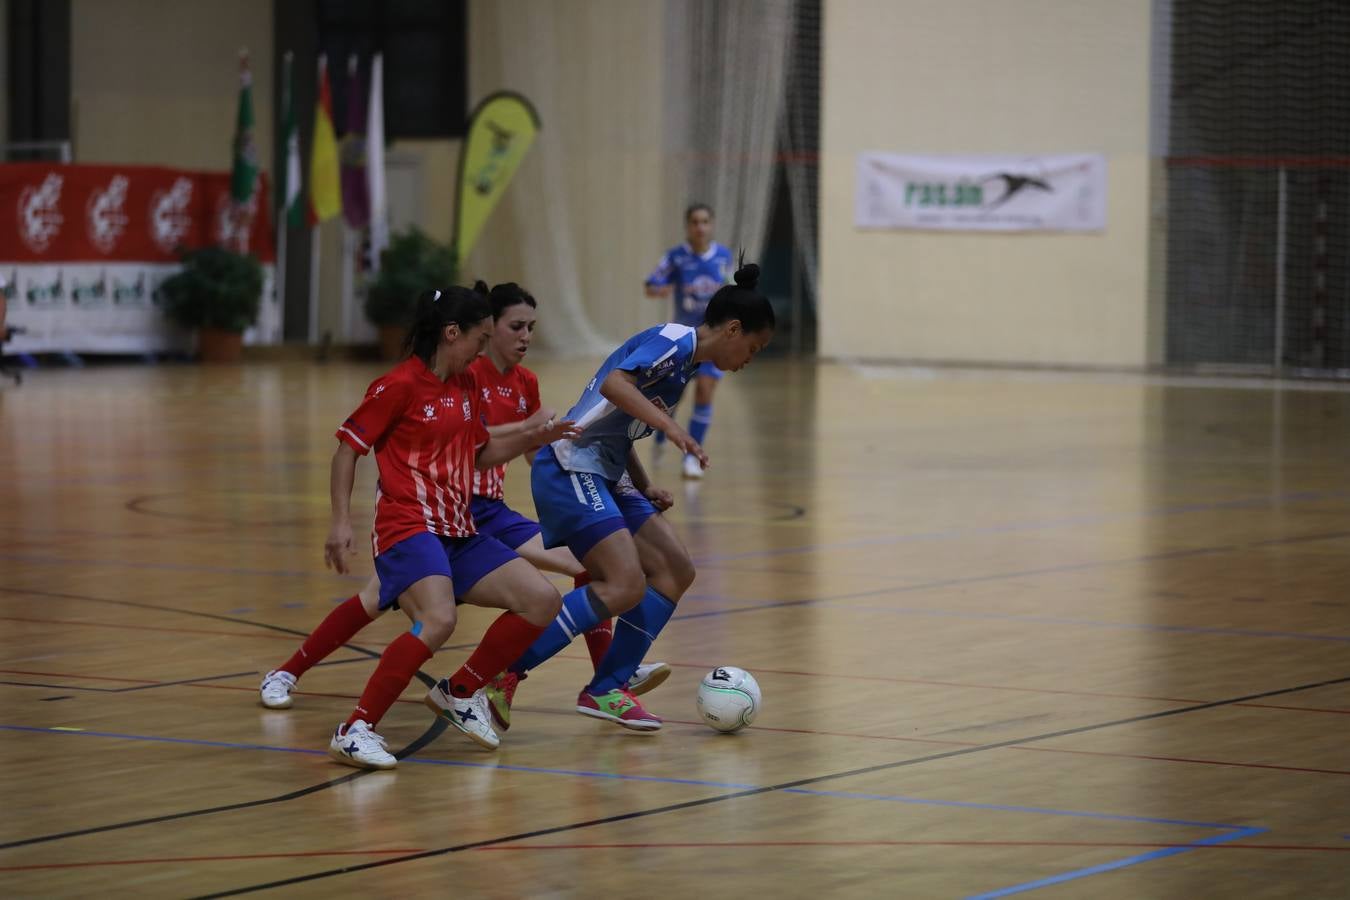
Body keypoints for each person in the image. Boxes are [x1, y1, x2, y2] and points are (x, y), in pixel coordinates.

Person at [259, 284, 670, 729]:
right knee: (381, 600)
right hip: (422, 515)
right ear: (470, 332)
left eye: (531, 328)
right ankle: (294, 676)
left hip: (480, 514)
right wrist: (339, 521)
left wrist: (550, 442)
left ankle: (601, 678)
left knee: (583, 571)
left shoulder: (508, 381)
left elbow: (493, 450)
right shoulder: (418, 382)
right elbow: (356, 449)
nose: (524, 337)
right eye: (514, 327)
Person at [489, 264, 775, 731]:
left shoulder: (686, 365)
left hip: (607, 471)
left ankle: (606, 687)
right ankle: (497, 675)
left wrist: (644, 486)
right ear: (733, 329)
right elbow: (613, 386)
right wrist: (671, 427)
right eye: (753, 348)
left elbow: (620, 425)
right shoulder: (674, 340)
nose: (750, 359)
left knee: (675, 570)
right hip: (570, 464)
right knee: (623, 583)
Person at [319, 284, 579, 770]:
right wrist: (340, 522)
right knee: (439, 619)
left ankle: (459, 691)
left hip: (458, 528)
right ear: (451, 332)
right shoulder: (396, 385)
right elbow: (346, 450)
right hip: (407, 525)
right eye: (480, 339)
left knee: (541, 600)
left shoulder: (465, 385)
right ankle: (355, 728)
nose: (483, 350)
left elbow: (480, 453)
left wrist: (537, 434)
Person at [644, 203, 734, 479]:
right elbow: (650, 285)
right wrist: (661, 288)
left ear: (712, 225)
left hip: (715, 340)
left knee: (705, 392)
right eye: (695, 222)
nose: (700, 227)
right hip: (684, 340)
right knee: (673, 398)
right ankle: (660, 439)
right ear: (688, 226)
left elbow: (735, 290)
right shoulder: (675, 257)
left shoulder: (723, 257)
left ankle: (693, 457)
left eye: (705, 221)